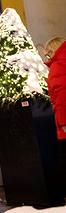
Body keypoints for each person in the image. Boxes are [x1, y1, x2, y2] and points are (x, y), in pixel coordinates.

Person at [44, 37, 66, 196]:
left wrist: (63, 123)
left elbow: (62, 96)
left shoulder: (58, 66)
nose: (48, 57)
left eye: (48, 53)